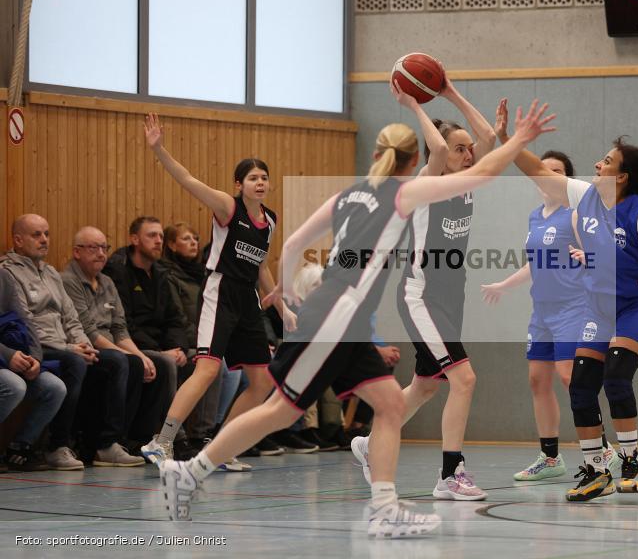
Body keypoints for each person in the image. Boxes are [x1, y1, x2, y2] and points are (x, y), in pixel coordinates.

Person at [156, 96, 555, 538]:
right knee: (279, 411)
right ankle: (189, 471)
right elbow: (481, 171)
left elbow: (289, 247)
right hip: (336, 317)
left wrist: (287, 289)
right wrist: (518, 138)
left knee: (387, 406)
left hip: (345, 317)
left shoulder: (348, 194)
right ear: (408, 164)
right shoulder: (403, 194)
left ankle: (384, 507)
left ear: (377, 155)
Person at [510, 136, 638, 501]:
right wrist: (508, 137)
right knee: (582, 385)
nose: (598, 165)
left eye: (606, 161)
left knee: (617, 376)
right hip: (600, 307)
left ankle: (631, 461)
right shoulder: (585, 195)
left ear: (622, 176)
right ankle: (596, 471)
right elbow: (535, 169)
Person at [354, 76, 497, 502]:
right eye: (459, 148)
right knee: (464, 379)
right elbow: (435, 149)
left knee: (426, 385)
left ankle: (370, 439)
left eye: (467, 149)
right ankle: (450, 474)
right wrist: (416, 105)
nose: (468, 153)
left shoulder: (468, 178)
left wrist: (451, 91)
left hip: (450, 298)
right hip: (420, 297)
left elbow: (489, 136)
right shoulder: (424, 183)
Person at [140, 114, 295, 472]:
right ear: (239, 184)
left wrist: (281, 307)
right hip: (220, 290)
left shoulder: (269, 220)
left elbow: (261, 266)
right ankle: (160, 441)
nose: (260, 182)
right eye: (253, 178)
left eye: (264, 177)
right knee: (207, 370)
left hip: (248, 301)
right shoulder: (228, 207)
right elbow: (188, 179)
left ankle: (221, 449)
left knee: (261, 381)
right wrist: (159, 149)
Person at [2, 214, 139, 470]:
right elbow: (25, 322)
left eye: (46, 234)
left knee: (118, 361)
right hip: (37, 349)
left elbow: (71, 317)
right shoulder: (8, 272)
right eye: (36, 235)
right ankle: (58, 445)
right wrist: (70, 349)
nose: (44, 240)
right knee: (74, 363)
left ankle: (108, 443)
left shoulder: (51, 273)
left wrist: (84, 344)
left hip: (68, 346)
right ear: (18, 240)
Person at [62, 226, 173, 464]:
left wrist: (140, 356)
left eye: (104, 247)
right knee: (124, 361)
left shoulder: (108, 282)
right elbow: (88, 331)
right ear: (77, 252)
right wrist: (129, 355)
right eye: (94, 248)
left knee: (158, 364)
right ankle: (106, 443)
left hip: (113, 348)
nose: (101, 253)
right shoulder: (68, 281)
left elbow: (119, 328)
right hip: (87, 349)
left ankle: (137, 439)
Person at [160, 223, 227, 453]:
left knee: (231, 367)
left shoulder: (201, 274)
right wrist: (203, 343)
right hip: (185, 341)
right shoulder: (168, 275)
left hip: (201, 339)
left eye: (195, 238)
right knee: (212, 363)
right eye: (186, 238)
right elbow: (178, 318)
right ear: (171, 245)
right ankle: (172, 438)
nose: (193, 243)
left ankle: (210, 433)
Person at [0, 268, 66, 471]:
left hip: (10, 354)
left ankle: (19, 448)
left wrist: (36, 358)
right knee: (14, 386)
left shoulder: (4, 276)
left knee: (54, 388)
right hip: (5, 356)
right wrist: (8, 356)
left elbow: (26, 320)